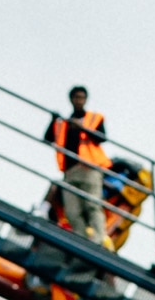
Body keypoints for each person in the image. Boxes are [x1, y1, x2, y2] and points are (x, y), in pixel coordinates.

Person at [44, 86, 108, 240]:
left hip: (90, 169)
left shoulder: (94, 118)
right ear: (71, 100)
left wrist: (83, 128)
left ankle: (98, 240)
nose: (79, 101)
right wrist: (52, 121)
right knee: (72, 211)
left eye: (82, 98)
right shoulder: (63, 123)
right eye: (76, 98)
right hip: (70, 171)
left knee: (92, 206)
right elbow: (48, 138)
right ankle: (81, 239)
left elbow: (102, 137)